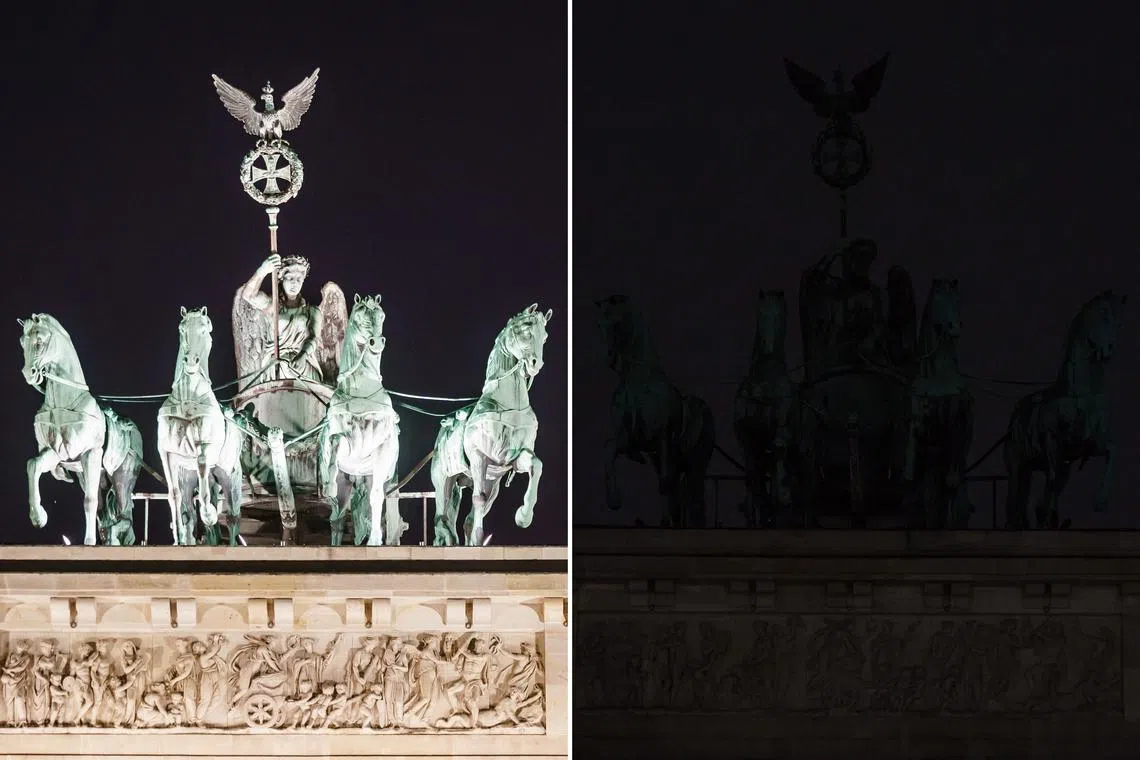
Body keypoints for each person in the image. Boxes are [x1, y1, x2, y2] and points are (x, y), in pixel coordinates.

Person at [241, 253, 324, 382]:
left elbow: (314, 338)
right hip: (277, 364)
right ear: (281, 279)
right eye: (290, 278)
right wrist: (263, 270)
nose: (294, 283)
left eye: (299, 280)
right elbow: (248, 295)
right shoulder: (272, 306)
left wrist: (302, 356)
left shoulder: (312, 311)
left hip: (303, 364)